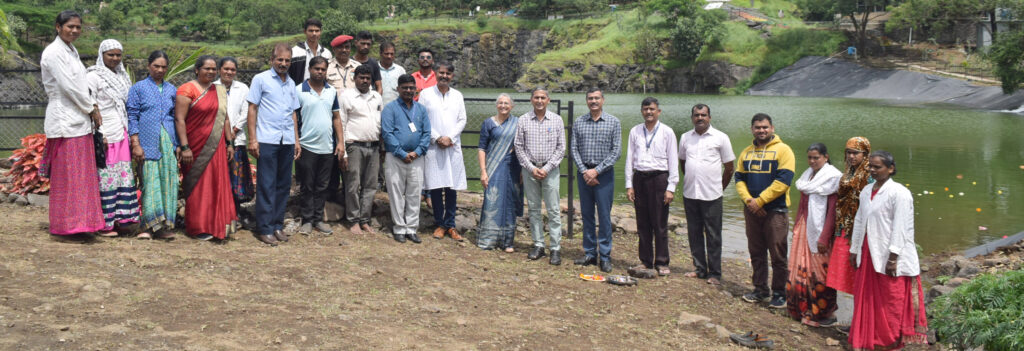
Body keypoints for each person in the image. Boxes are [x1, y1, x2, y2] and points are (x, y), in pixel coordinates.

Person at [848, 151, 928, 350]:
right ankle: (867, 339)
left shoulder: (899, 193)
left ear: (891, 169)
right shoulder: (867, 190)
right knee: (866, 297)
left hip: (890, 253)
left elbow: (902, 226)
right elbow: (860, 221)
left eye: (878, 167)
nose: (873, 171)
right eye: (871, 167)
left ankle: (888, 341)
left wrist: (893, 258)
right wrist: (854, 249)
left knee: (890, 298)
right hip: (868, 251)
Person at [39, 10, 105, 239]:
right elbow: (69, 86)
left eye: (78, 27)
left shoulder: (71, 50)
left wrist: (90, 106)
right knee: (69, 176)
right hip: (65, 120)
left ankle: (82, 223)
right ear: (58, 27)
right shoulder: (54, 52)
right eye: (70, 26)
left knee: (82, 176)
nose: (75, 30)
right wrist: (92, 108)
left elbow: (80, 84)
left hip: (78, 119)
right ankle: (67, 226)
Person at [174, 55, 238, 241]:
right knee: (198, 187)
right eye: (206, 68)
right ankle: (197, 227)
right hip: (194, 147)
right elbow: (179, 119)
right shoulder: (187, 89)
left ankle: (216, 223)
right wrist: (185, 146)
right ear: (197, 70)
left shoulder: (219, 90)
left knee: (216, 184)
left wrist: (229, 143)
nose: (210, 72)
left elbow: (225, 118)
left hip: (216, 146)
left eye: (213, 69)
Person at [736, 113, 795, 308]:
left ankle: (779, 293)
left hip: (775, 211)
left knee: (778, 254)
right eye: (757, 127)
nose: (761, 130)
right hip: (752, 210)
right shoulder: (746, 153)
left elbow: (783, 182)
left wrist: (760, 201)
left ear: (772, 128)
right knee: (756, 251)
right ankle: (760, 289)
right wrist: (749, 201)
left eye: (765, 127)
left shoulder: (783, 151)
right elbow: (739, 180)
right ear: (752, 129)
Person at [246, 43, 301, 246]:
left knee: (283, 185)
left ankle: (277, 225)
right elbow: (252, 109)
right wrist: (253, 139)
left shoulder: (291, 83)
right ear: (272, 60)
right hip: (267, 139)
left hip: (286, 140)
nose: (283, 63)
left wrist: (296, 140)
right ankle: (265, 228)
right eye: (280, 59)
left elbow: (293, 113)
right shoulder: (260, 79)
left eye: (287, 60)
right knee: (267, 184)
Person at [86, 38, 140, 237]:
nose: (115, 59)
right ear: (102, 55)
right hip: (105, 132)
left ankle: (121, 219)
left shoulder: (122, 77)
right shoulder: (93, 76)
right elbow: (91, 105)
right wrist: (99, 133)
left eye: (118, 55)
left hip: (121, 131)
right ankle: (103, 223)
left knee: (122, 176)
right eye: (111, 55)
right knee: (106, 178)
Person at [785, 143, 842, 327]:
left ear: (825, 157)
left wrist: (824, 237)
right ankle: (801, 309)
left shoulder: (833, 178)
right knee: (799, 268)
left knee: (819, 272)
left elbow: (833, 211)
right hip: (804, 227)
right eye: (809, 157)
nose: (812, 161)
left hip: (820, 232)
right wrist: (797, 228)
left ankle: (823, 314)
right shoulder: (807, 176)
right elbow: (803, 206)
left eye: (816, 157)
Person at [678, 103, 735, 285]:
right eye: (696, 115)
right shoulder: (686, 137)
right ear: (692, 118)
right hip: (690, 193)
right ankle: (700, 268)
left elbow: (729, 168)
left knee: (713, 234)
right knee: (694, 232)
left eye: (703, 115)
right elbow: (682, 162)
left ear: (709, 117)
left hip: (712, 195)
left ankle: (715, 273)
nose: (700, 118)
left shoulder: (721, 138)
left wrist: (719, 187)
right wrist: (693, 179)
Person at [624, 97, 678, 278]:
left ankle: (662, 262)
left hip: (660, 178)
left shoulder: (667, 132)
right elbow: (629, 159)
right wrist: (629, 184)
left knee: (660, 223)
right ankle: (645, 260)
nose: (649, 112)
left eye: (652, 109)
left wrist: (671, 187)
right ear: (642, 111)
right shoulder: (635, 131)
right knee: (643, 223)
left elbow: (673, 161)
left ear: (658, 111)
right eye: (646, 109)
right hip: (640, 178)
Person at [127, 50, 178, 240]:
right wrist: (135, 143)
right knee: (149, 182)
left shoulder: (172, 90)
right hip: (147, 142)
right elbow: (132, 116)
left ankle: (164, 227)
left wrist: (178, 145)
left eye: (164, 67)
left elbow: (177, 117)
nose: (160, 70)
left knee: (168, 181)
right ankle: (148, 226)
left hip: (168, 142)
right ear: (149, 66)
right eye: (156, 66)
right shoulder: (138, 88)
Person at [570, 88, 620, 273]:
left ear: (603, 100)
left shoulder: (613, 122)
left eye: (596, 98)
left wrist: (596, 171)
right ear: (586, 101)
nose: (593, 101)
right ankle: (590, 253)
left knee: (605, 217)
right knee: (587, 214)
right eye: (590, 98)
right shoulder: (579, 122)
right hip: (584, 175)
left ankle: (605, 256)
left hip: (604, 175)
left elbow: (616, 152)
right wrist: (585, 171)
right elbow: (574, 149)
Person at [514, 88, 565, 265]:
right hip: (530, 171)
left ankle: (556, 248)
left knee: (553, 210)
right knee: (534, 209)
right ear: (531, 100)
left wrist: (548, 167)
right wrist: (530, 167)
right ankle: (538, 244)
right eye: (536, 97)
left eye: (543, 97)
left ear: (548, 100)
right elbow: (519, 146)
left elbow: (561, 148)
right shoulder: (523, 120)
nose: (539, 100)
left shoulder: (557, 120)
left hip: (551, 171)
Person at [295, 56, 344, 235]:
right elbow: (293, 117)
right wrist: (296, 141)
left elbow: (336, 118)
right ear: (310, 69)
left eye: (323, 69)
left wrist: (340, 142)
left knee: (322, 185)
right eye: (316, 69)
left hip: (327, 146)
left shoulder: (331, 91)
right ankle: (307, 220)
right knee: (307, 185)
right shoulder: (299, 90)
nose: (320, 72)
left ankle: (318, 219)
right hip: (306, 146)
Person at [420, 62, 468, 241]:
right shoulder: (426, 94)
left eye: (448, 73)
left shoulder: (457, 95)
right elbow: (423, 119)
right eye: (441, 73)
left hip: (452, 147)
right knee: (435, 186)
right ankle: (440, 224)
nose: (444, 76)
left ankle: (451, 225)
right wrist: (438, 137)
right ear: (436, 74)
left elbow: (462, 119)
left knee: (451, 187)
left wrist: (450, 138)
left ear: (452, 76)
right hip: (434, 147)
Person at [381, 75, 430, 244]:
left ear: (415, 89)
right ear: (398, 89)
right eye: (405, 88)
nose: (408, 91)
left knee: (414, 194)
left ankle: (411, 228)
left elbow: (426, 133)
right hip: (395, 157)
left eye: (411, 87)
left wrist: (417, 152)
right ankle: (399, 228)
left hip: (417, 158)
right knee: (396, 194)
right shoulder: (390, 108)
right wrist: (402, 153)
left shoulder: (421, 109)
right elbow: (387, 133)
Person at [339, 64, 383, 235]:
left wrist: (382, 146)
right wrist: (341, 150)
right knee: (353, 184)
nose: (365, 81)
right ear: (354, 78)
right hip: (354, 146)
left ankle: (365, 219)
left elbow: (380, 123)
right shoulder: (346, 96)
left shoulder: (376, 97)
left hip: (373, 146)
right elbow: (341, 123)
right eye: (361, 77)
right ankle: (353, 220)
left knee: (370, 185)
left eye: (368, 78)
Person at [826, 137, 873, 295]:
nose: (851, 157)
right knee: (847, 268)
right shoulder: (849, 172)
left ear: (865, 154)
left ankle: (862, 311)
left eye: (856, 153)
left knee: (860, 267)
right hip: (844, 225)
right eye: (848, 153)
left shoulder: (870, 174)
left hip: (860, 228)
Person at [476, 94, 522, 251]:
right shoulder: (489, 123)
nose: (503, 106)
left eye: (506, 103)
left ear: (512, 106)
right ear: (496, 105)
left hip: (513, 167)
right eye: (501, 103)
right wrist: (483, 171)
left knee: (510, 201)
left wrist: (523, 170)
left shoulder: (518, 123)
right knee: (492, 200)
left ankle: (507, 241)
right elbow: (482, 148)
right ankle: (488, 239)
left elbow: (523, 146)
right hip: (493, 166)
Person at [214, 57, 254, 228]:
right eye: (226, 69)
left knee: (236, 178)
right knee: (219, 177)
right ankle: (220, 213)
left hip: (236, 140)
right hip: (216, 140)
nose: (229, 72)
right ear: (219, 70)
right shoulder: (212, 87)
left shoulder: (242, 88)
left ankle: (235, 213)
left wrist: (234, 131)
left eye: (232, 70)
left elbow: (246, 112)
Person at [288, 18, 332, 84]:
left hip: (321, 91)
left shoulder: (326, 53)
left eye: (317, 31)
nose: (314, 33)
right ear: (305, 32)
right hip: (299, 91)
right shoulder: (295, 52)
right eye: (311, 31)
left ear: (320, 32)